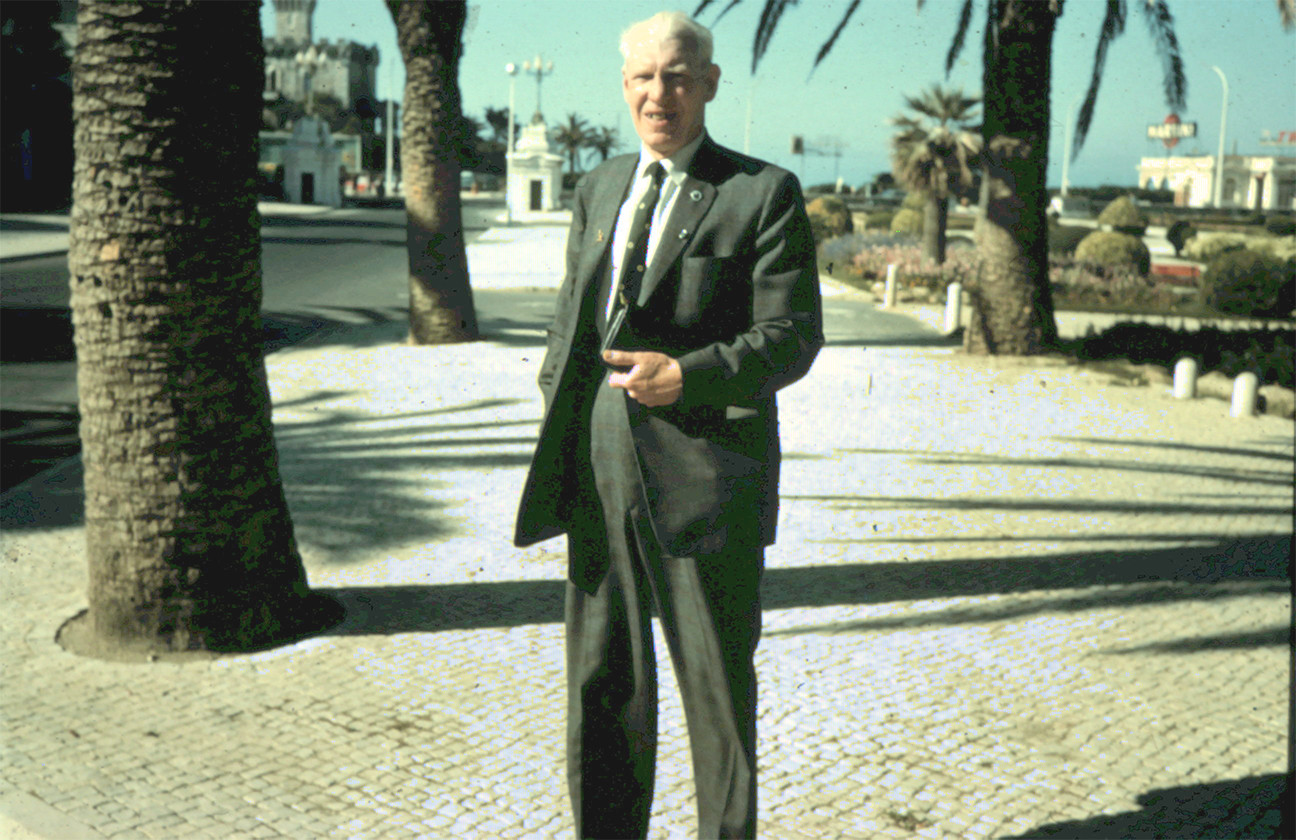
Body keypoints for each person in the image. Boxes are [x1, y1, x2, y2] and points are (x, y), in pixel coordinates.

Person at [514, 11, 823, 839]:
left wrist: (688, 375)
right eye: (645, 78)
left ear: (709, 84)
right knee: (602, 682)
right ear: (625, 86)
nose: (661, 94)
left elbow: (793, 335)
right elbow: (569, 322)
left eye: (679, 76)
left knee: (717, 695)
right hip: (597, 467)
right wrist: (560, 412)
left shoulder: (762, 193)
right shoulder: (599, 186)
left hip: (704, 476)